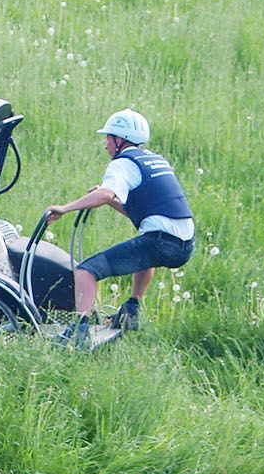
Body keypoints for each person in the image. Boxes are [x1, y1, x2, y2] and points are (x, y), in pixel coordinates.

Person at [43, 108, 194, 348]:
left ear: (119, 140)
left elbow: (105, 193)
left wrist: (64, 208)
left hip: (162, 240)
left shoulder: (123, 163)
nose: (105, 145)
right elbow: (141, 210)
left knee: (86, 270)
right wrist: (111, 201)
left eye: (108, 138)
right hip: (184, 244)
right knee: (146, 253)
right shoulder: (155, 160)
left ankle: (79, 333)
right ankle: (132, 308)